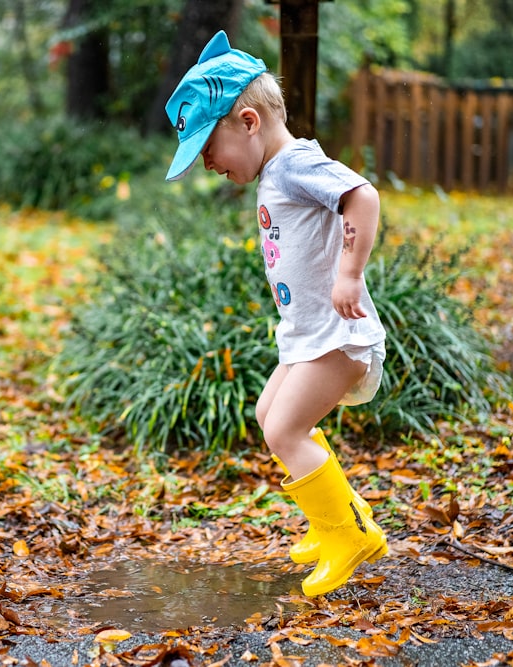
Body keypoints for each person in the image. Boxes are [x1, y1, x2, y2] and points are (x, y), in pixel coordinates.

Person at [164, 30, 388, 597]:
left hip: (338, 333)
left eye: (207, 147)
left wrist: (349, 273)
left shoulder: (293, 164)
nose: (207, 163)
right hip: (307, 333)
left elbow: (362, 195)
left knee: (286, 428)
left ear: (247, 121)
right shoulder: (276, 172)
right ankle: (340, 517)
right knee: (271, 415)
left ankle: (347, 535)